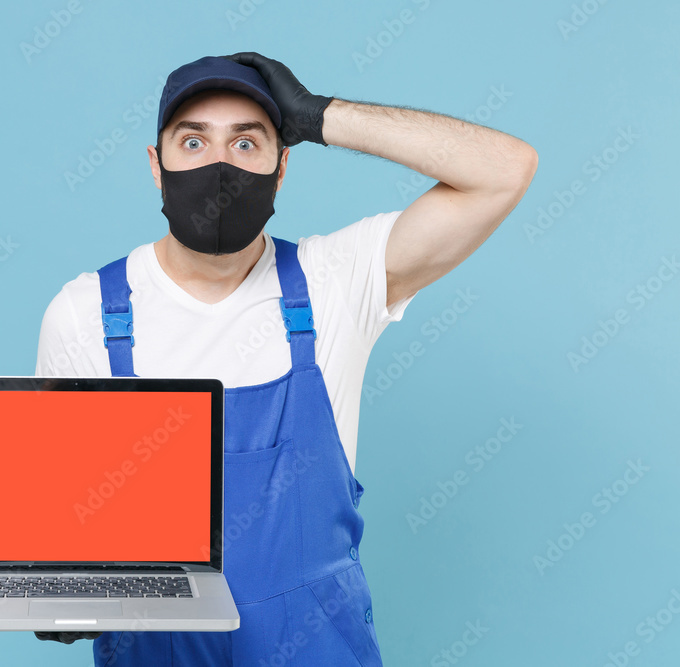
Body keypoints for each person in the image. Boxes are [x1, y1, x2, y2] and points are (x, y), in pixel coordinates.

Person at [34, 52, 537, 666]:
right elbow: (69, 519)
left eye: (247, 143)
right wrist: (61, 585)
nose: (219, 164)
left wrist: (322, 115)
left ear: (282, 167)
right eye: (193, 141)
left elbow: (504, 171)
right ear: (157, 167)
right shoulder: (86, 313)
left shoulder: (336, 282)